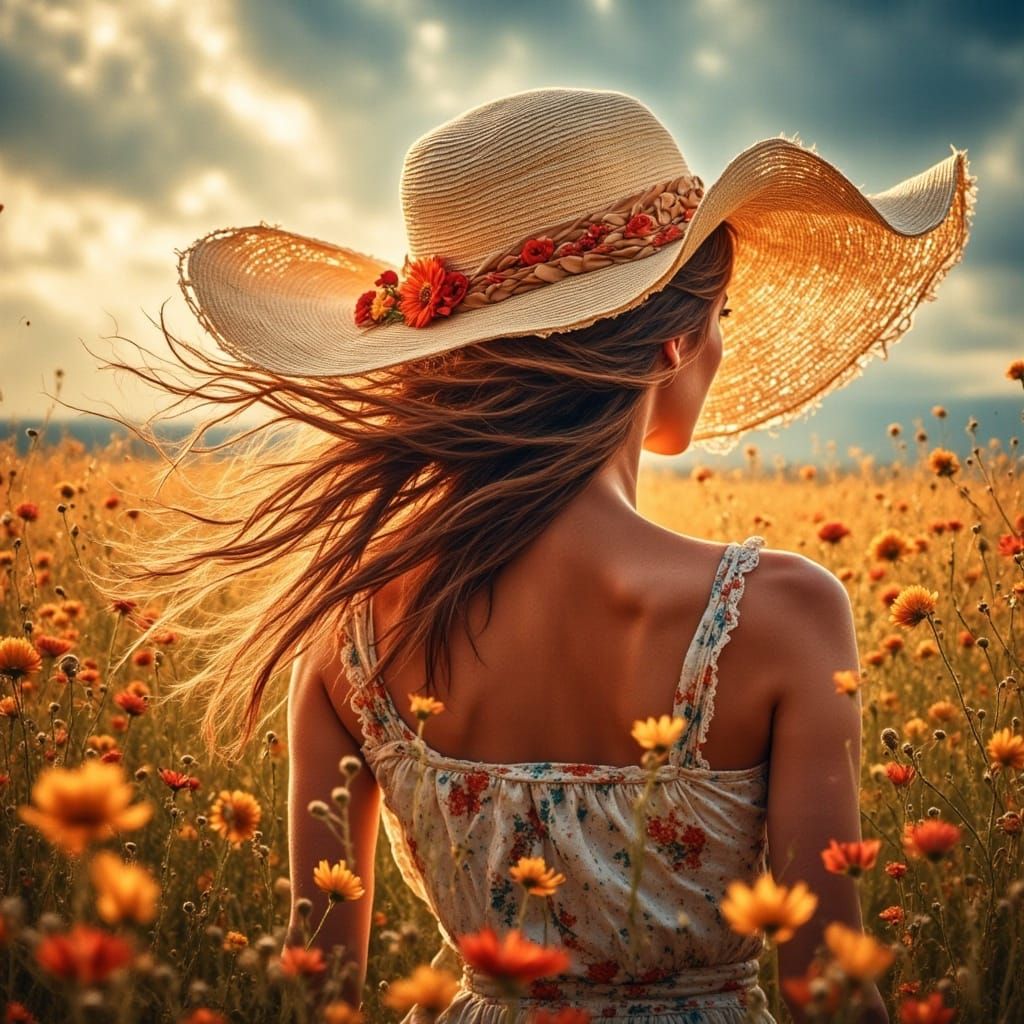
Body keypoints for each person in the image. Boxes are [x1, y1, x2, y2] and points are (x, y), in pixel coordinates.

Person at [120, 88, 974, 1021]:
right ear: (673, 339)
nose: (723, 348)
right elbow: (832, 999)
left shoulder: (350, 635)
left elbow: (316, 996)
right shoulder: (782, 614)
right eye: (720, 314)